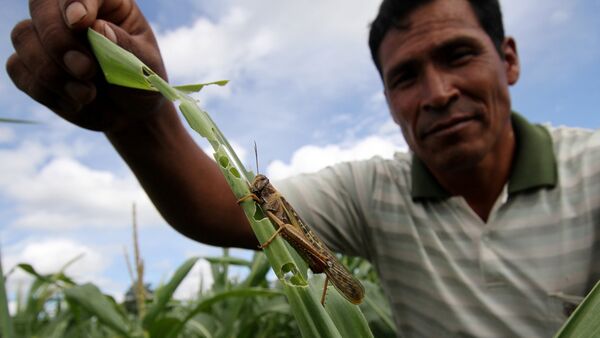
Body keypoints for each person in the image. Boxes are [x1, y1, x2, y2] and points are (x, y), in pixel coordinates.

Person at [7, 0, 599, 336]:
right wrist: (141, 113)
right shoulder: (371, 188)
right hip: (307, 246)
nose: (438, 92)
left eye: (458, 55)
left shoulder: (592, 168)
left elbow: (283, 227)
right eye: (406, 76)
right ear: (388, 97)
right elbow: (221, 206)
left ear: (510, 59)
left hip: (316, 258)